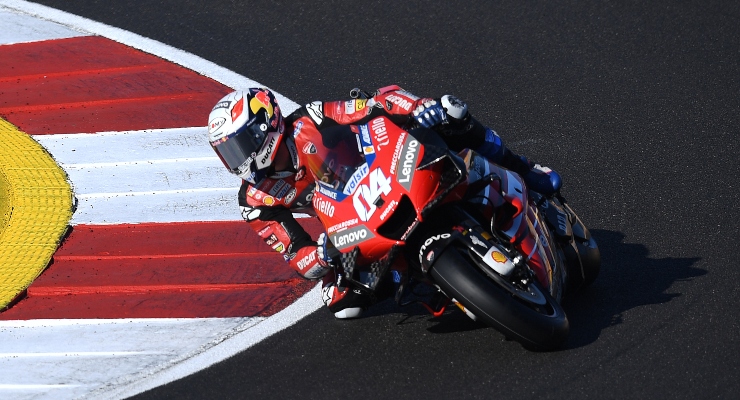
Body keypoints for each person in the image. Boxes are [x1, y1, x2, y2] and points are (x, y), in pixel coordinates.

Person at [207, 85, 561, 319]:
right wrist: (323, 254)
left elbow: (374, 104)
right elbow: (297, 256)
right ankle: (437, 286)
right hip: (347, 221)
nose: (238, 160)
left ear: (264, 125)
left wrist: (420, 107)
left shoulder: (310, 118)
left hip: (379, 171)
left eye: (239, 145)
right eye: (227, 153)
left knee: (450, 115)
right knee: (340, 303)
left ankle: (524, 169)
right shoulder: (254, 199)